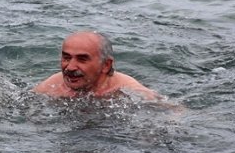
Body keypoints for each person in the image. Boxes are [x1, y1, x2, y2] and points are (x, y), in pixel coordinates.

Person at [33, 31, 161, 101]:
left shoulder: (128, 91)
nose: (70, 67)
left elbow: (173, 111)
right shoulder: (52, 86)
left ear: (106, 65)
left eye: (82, 59)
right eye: (66, 57)